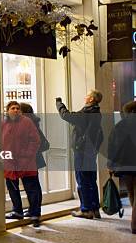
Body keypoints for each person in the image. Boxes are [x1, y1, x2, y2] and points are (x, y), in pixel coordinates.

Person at [56, 90, 103, 219]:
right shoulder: (96, 113)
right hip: (91, 151)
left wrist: (59, 104)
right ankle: (94, 209)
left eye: (87, 95)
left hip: (82, 150)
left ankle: (86, 210)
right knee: (91, 180)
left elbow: (67, 116)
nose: (85, 96)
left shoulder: (87, 112)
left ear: (92, 99)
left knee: (82, 179)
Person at [2, 101, 42, 227]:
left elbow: (35, 140)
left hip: (27, 162)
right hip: (9, 162)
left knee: (31, 188)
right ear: (7, 110)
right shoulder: (3, 124)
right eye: (12, 108)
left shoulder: (27, 122)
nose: (15, 110)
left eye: (17, 108)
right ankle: (17, 211)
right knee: (12, 187)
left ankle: (35, 214)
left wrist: (27, 154)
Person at [107, 101, 136, 234]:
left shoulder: (119, 126)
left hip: (125, 165)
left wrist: (111, 164)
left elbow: (112, 146)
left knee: (131, 192)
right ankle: (134, 224)